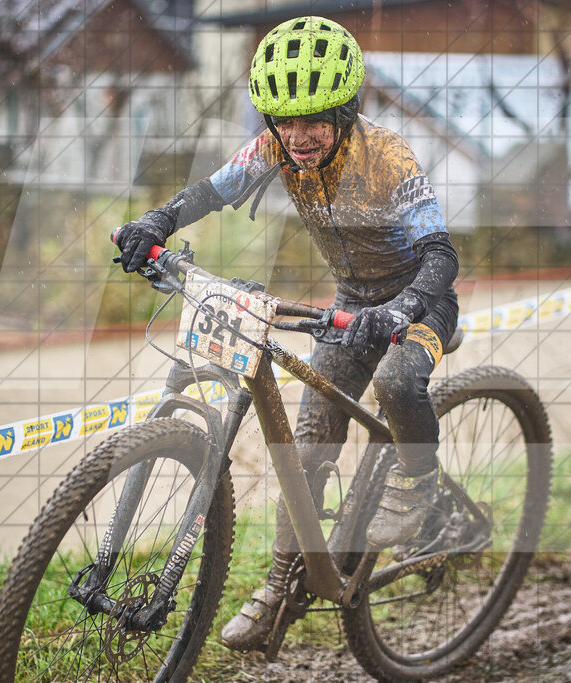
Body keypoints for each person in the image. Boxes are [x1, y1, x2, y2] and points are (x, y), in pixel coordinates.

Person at [113, 16, 459, 652]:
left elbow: (442, 255)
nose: (297, 137)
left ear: (345, 110)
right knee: (306, 453)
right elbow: (213, 191)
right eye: (284, 120)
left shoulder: (389, 157)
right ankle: (280, 586)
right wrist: (157, 221)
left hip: (420, 303)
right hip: (353, 304)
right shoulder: (275, 148)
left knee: (397, 376)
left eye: (313, 121)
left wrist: (403, 310)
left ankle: (421, 490)